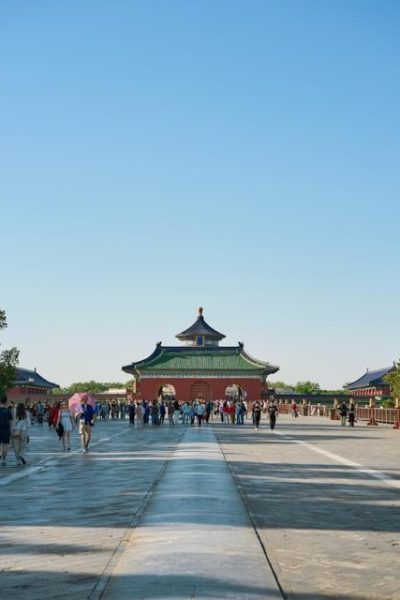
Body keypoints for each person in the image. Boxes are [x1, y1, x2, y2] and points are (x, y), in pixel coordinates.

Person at [0, 396, 13, 466]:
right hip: (6, 430)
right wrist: (11, 431)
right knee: (5, 445)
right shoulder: (8, 411)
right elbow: (11, 422)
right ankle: (3, 459)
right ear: (6, 402)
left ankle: (0, 454)